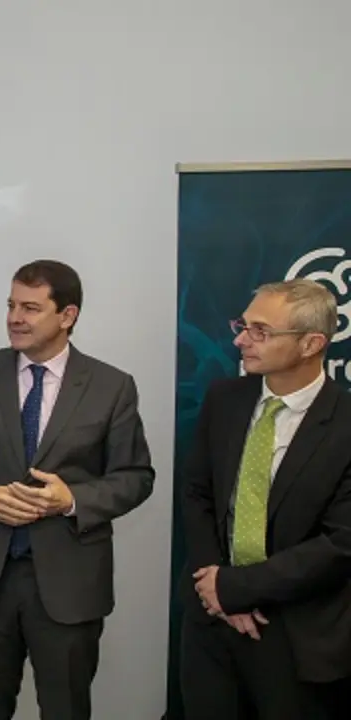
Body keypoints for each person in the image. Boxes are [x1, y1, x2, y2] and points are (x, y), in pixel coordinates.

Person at [0, 259, 155, 720]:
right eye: (11, 305)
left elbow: (135, 476)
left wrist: (72, 500)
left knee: (65, 708)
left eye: (30, 308)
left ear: (67, 315)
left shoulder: (112, 386)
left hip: (70, 582)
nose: (15, 317)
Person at [178, 278, 351, 720]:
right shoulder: (224, 399)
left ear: (311, 344)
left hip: (298, 636)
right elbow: (197, 492)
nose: (241, 340)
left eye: (261, 331)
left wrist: (237, 589)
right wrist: (215, 587)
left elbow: (340, 543)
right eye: (243, 325)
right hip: (211, 624)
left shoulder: (345, 424)